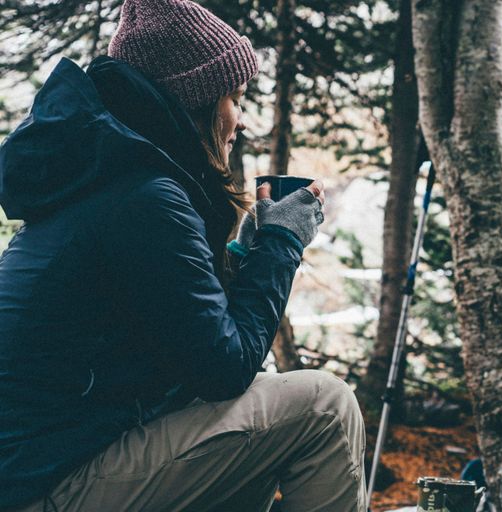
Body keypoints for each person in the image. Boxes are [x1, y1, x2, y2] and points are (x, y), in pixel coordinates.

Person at [0, 0, 367, 510]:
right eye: (234, 99)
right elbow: (222, 369)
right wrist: (282, 244)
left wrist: (243, 253)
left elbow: (192, 347)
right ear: (194, 101)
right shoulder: (145, 196)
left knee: (257, 401)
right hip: (48, 483)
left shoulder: (103, 181)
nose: (240, 121)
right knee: (325, 406)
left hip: (39, 466)